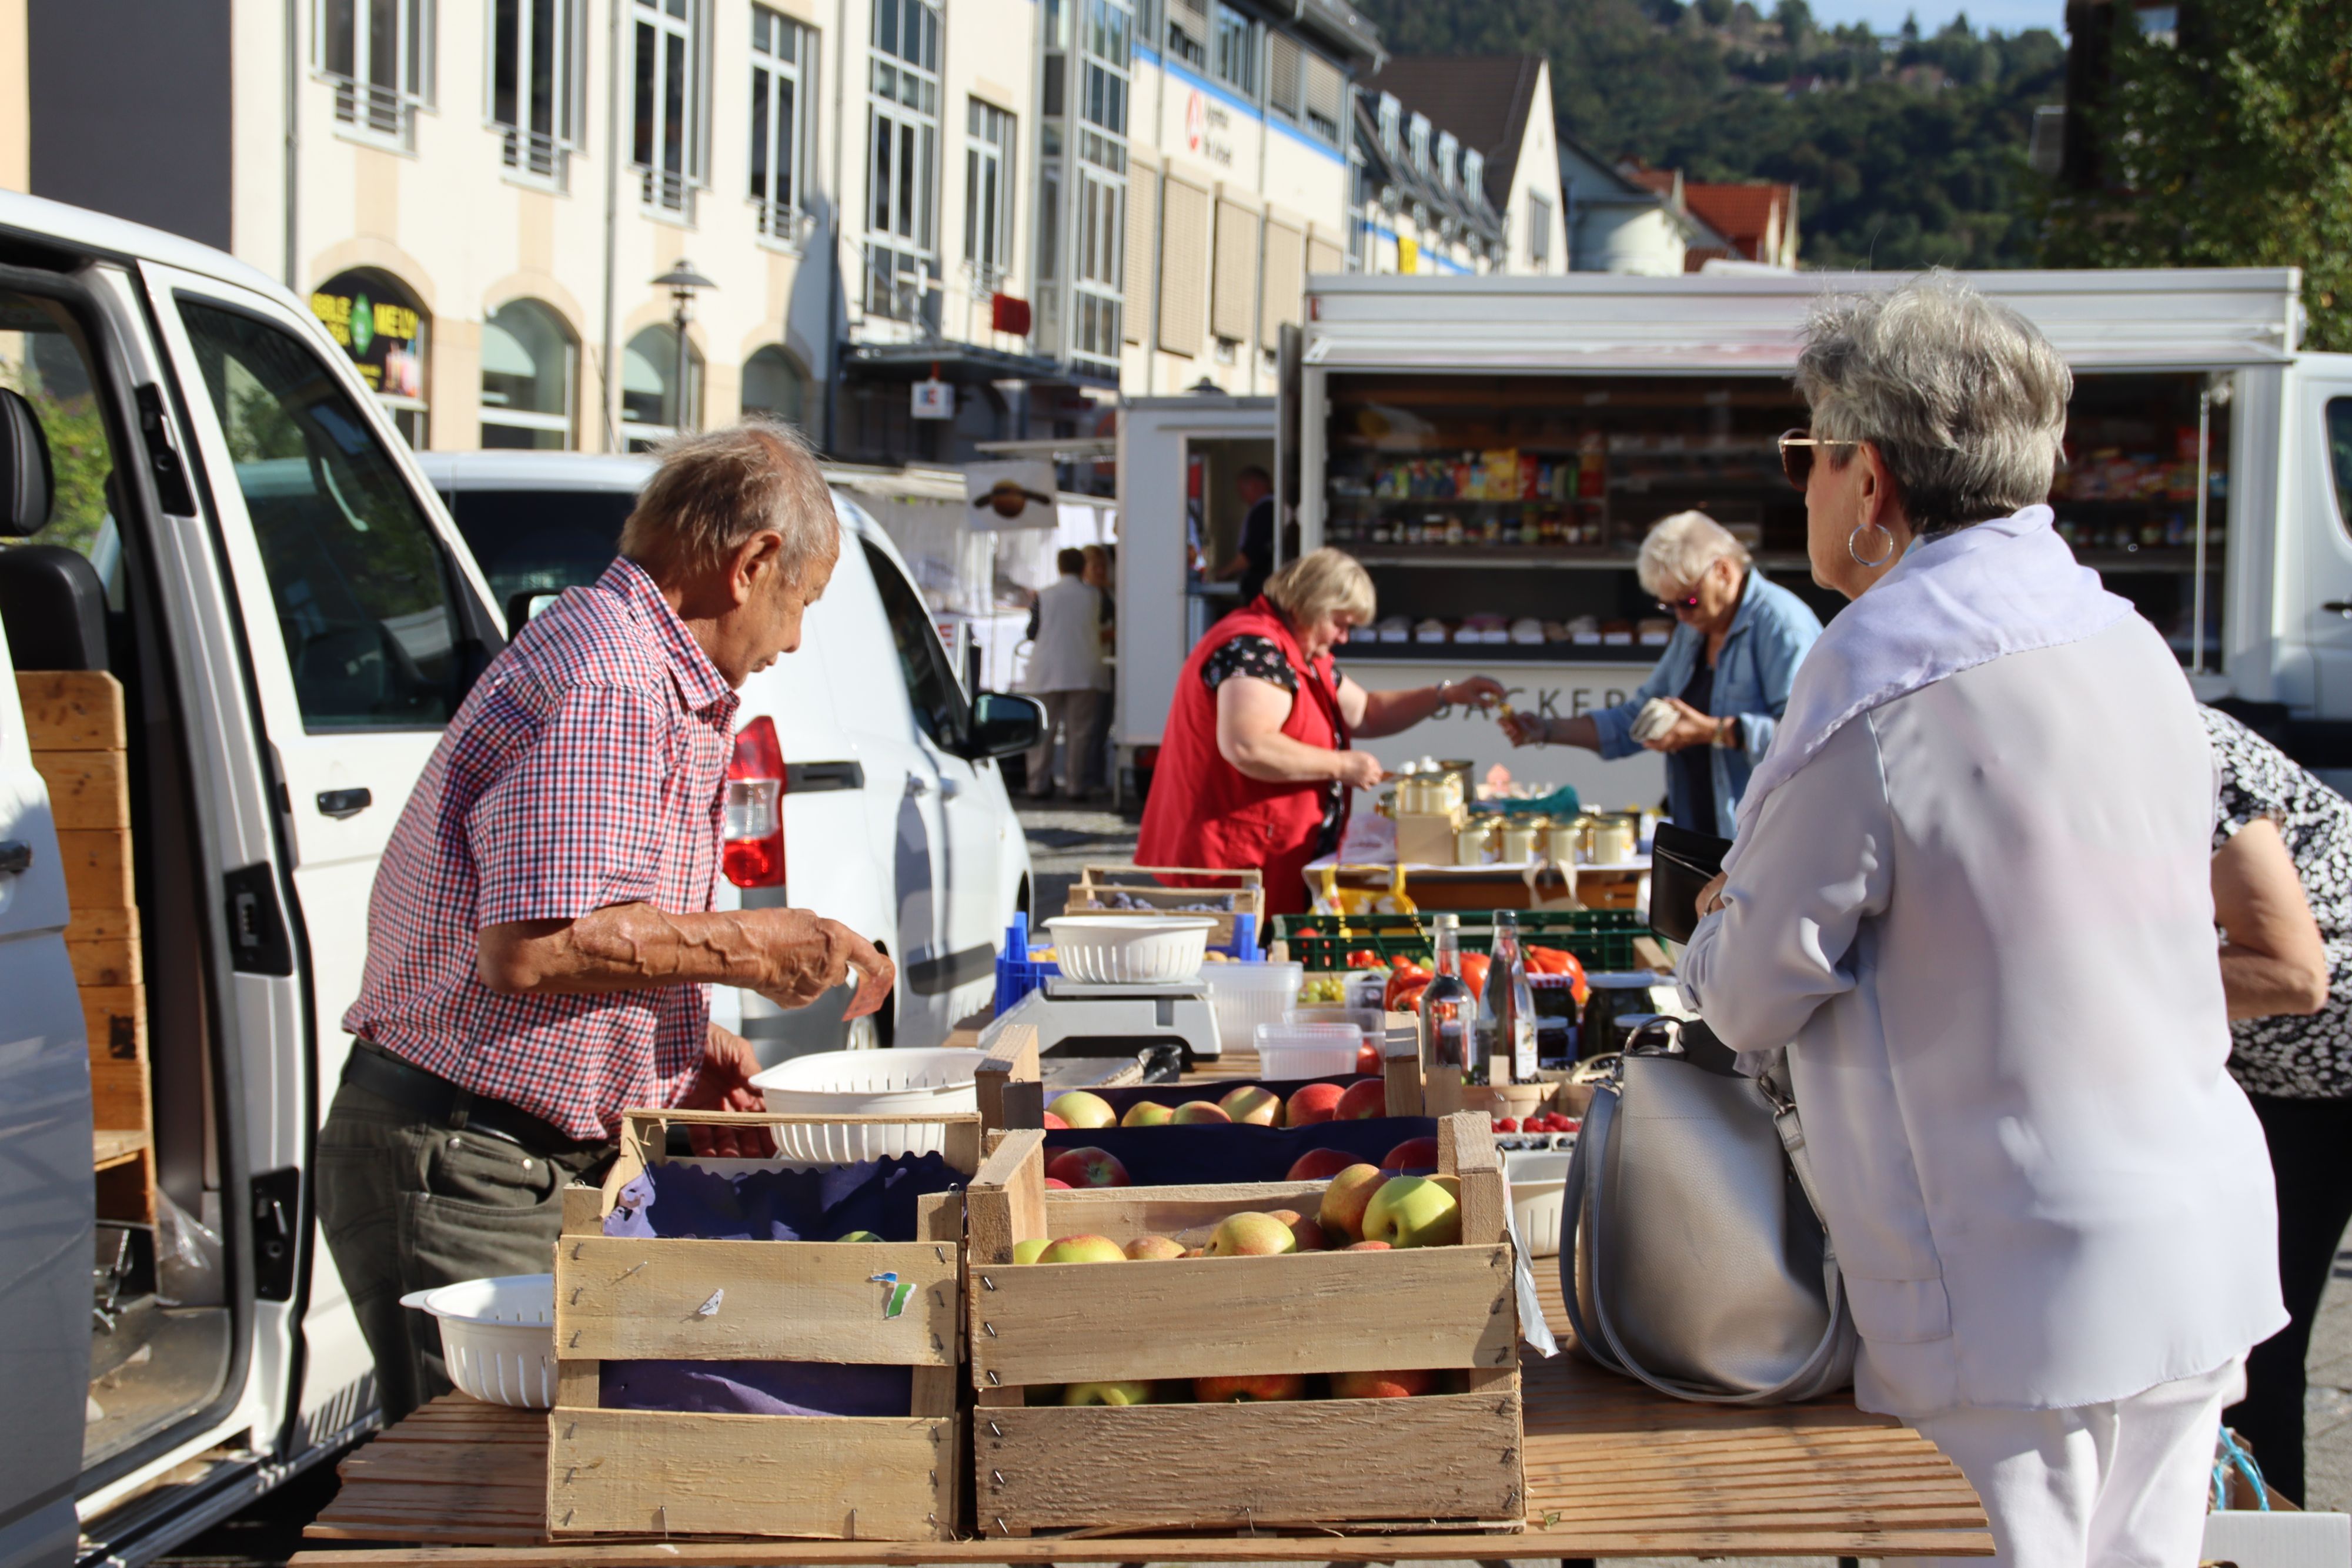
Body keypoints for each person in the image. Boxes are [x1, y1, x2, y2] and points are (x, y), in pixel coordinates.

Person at [1676, 275, 2283, 1568]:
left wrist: (1712, 923)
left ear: (1873, 479)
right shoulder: (2123, 637)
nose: (1804, 490)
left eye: (1808, 457)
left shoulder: (1877, 659)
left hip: (2007, 1262)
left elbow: (1751, 989)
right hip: (2190, 1222)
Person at [321, 421, 895, 1422]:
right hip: (468, 1160)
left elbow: (581, 918)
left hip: (496, 1155)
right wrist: (756, 946)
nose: (793, 639)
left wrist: (680, 1036)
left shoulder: (636, 666)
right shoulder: (613, 678)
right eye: (799, 603)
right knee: (493, 1498)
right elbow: (534, 949)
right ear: (752, 562)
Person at [1137, 549, 1503, 917]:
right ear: (1307, 606)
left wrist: (1444, 695)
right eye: (1340, 623)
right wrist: (1341, 766)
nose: (1344, 637)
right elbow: (1248, 744)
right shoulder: (1253, 648)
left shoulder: (1298, 650)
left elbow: (1365, 712)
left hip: (1259, 854)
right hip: (1231, 861)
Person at [2200, 704, 2350, 1506]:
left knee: (2264, 1339)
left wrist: (2096, 963)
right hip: (2272, 1072)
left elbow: (2296, 974)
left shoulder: (2178, 741)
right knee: (2258, 1340)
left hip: (2326, 1059)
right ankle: (2267, 1540)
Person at [1499, 511, 1820, 837]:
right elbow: (1635, 721)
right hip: (1702, 835)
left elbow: (1810, 740)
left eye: (1688, 601)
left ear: (1723, 571)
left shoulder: (1782, 625)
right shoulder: (1698, 626)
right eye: (1669, 606)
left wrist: (1714, 732)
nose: (1681, 616)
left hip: (1764, 840)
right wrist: (1545, 730)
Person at [1023, 546, 1108, 800]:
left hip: (1047, 670)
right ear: (1083, 567)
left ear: (1059, 567)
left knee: (1043, 730)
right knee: (1080, 732)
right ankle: (1075, 785)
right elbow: (1103, 623)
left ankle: (1036, 784)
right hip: (1084, 669)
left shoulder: (1044, 595)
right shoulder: (1095, 596)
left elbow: (1032, 632)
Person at [1080, 543, 1117, 797]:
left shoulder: (1109, 593)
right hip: (1091, 667)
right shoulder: (1088, 596)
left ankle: (1096, 776)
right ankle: (1089, 777)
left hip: (1108, 664)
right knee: (1090, 727)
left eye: (1103, 566)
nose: (1101, 571)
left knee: (1102, 725)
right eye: (1095, 566)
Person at [1210, 464, 1277, 606]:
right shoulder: (1269, 508)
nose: (1242, 497)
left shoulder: (1265, 510)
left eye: (1242, 490)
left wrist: (1224, 573)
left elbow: (1251, 553)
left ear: (1255, 485)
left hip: (1262, 588)